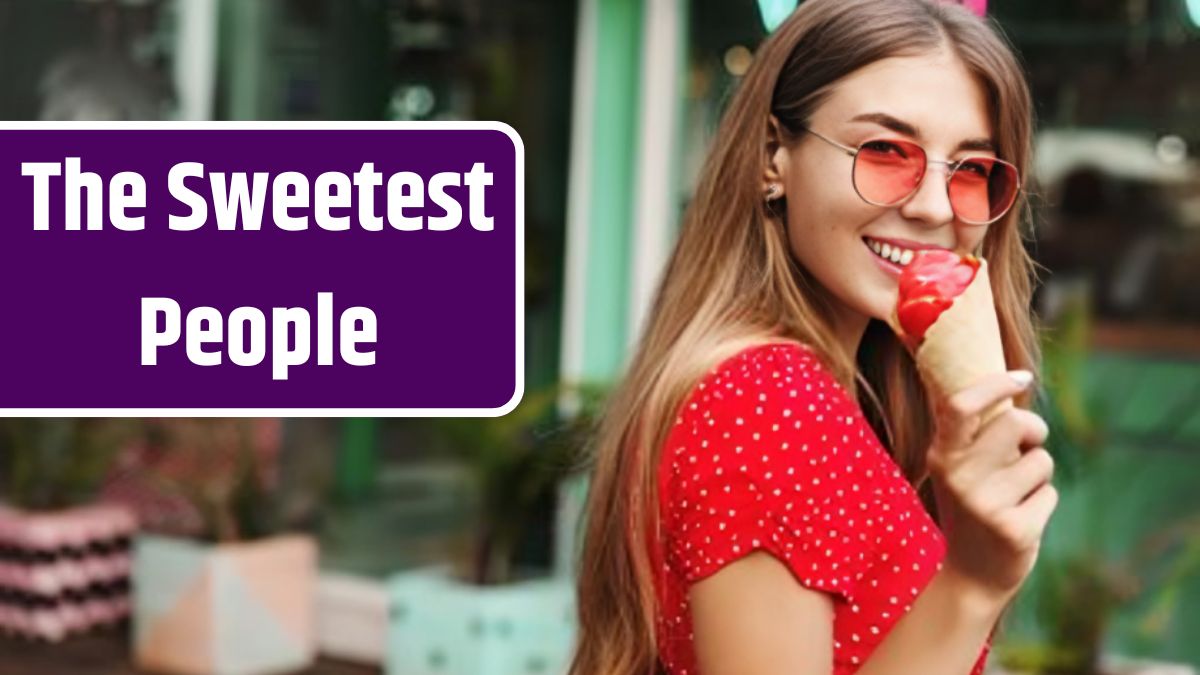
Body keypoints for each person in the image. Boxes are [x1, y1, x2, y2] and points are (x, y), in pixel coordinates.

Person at [569, 1, 1056, 673]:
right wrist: (972, 579)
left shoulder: (826, 393)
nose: (935, 207)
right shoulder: (769, 399)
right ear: (775, 157)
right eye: (885, 151)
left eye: (971, 169)